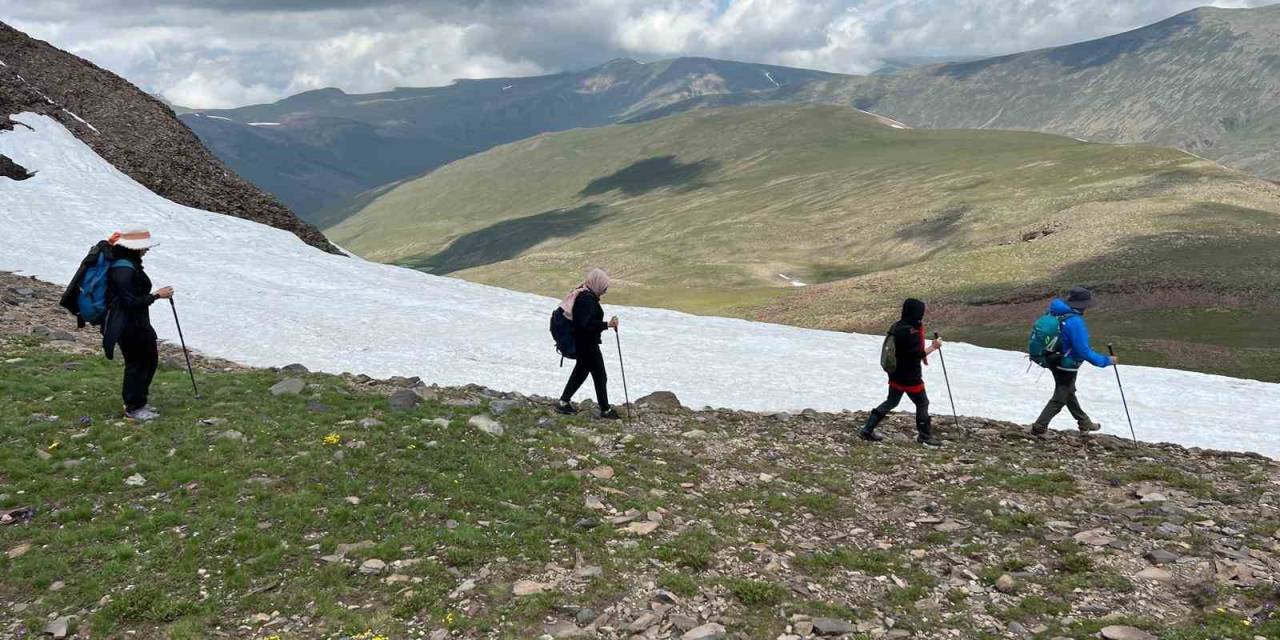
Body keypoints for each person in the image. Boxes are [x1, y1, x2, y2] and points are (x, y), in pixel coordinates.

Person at [102, 230, 173, 422]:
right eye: (144, 246)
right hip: (128, 325)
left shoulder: (127, 265)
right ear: (134, 248)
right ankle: (133, 407)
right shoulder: (123, 269)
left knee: (147, 361)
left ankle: (139, 403)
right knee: (138, 364)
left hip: (136, 323)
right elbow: (129, 302)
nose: (147, 249)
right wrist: (157, 295)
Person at [1031, 287, 1115, 436]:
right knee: (1060, 397)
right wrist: (1106, 361)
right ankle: (1039, 427)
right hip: (1067, 364)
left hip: (1051, 358)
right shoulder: (1075, 321)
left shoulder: (1055, 313)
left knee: (1069, 392)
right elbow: (1083, 350)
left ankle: (1085, 423)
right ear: (1083, 305)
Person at [860, 298, 944, 447]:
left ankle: (867, 429)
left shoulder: (898, 326)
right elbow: (916, 355)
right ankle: (924, 436)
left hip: (895, 373)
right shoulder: (911, 331)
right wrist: (934, 347)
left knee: (891, 401)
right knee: (922, 403)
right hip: (911, 376)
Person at [556, 268, 622, 420]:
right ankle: (605, 410)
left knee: (581, 373)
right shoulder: (587, 299)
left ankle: (563, 402)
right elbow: (584, 325)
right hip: (587, 345)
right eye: (604, 287)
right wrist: (607, 325)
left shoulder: (585, 295)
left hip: (584, 344)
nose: (605, 290)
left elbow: (582, 324)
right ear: (597, 284)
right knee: (599, 376)